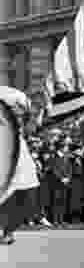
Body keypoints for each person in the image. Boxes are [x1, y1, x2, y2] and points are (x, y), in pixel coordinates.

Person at [0, 87, 41, 244]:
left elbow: (32, 127)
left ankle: (8, 231)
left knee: (28, 190)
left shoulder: (15, 94)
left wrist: (38, 111)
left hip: (16, 147)